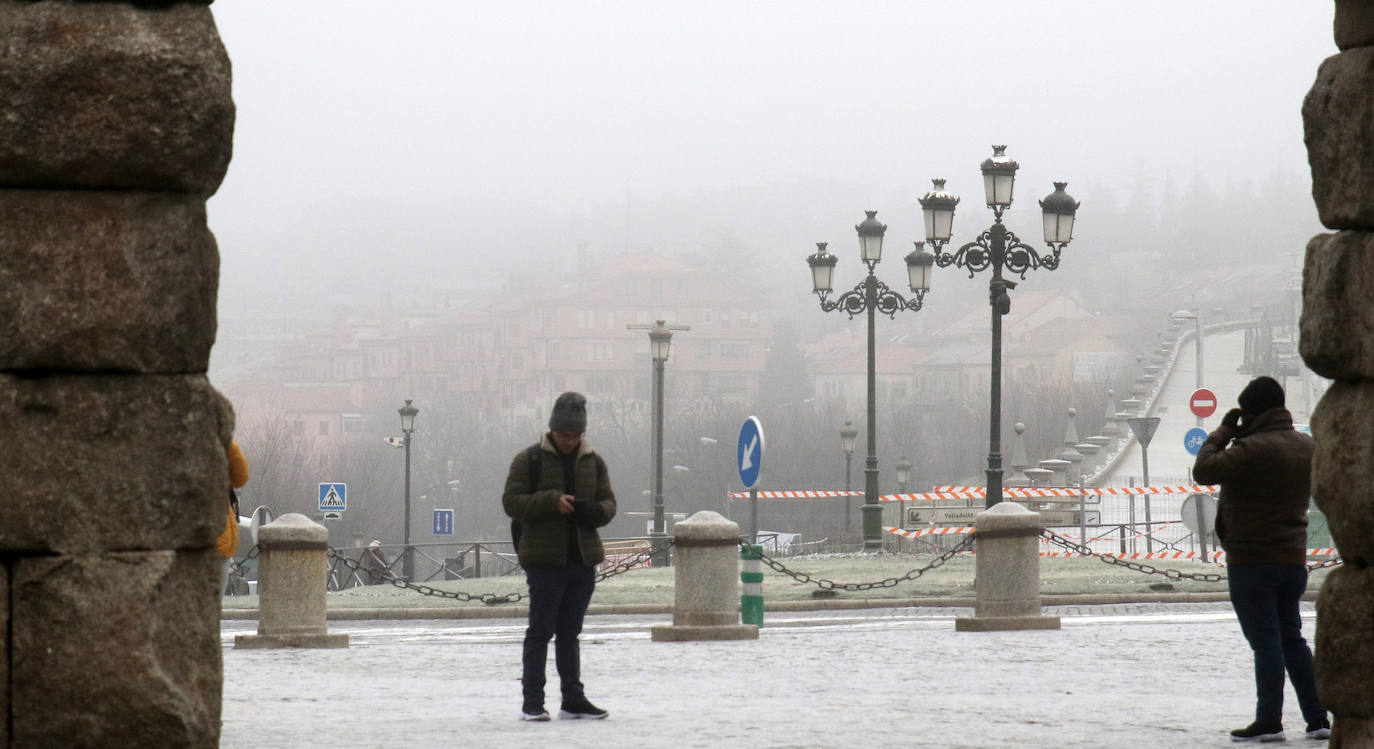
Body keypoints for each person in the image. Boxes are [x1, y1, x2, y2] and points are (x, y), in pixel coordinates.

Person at [1192, 376, 1330, 742]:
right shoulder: (1307, 445)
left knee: (1266, 642)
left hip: (1252, 559)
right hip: (1292, 557)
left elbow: (1203, 470)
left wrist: (1223, 430)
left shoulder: (1250, 449)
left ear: (1251, 412)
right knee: (1292, 639)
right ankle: (1318, 718)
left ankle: (1269, 721)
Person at [502, 391, 616, 722]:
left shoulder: (594, 462)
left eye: (575, 435)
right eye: (563, 435)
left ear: (582, 433)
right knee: (540, 632)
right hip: (543, 560)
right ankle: (533, 702)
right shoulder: (529, 460)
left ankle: (573, 699)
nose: (569, 441)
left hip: (581, 559)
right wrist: (551, 501)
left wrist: (592, 511)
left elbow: (609, 505)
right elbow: (512, 502)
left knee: (570, 633)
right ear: (552, 430)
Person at [217, 440, 250, 595]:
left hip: (222, 541)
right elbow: (240, 477)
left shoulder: (220, 444)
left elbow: (240, 477)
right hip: (214, 540)